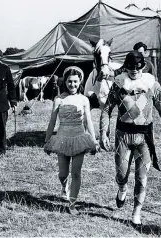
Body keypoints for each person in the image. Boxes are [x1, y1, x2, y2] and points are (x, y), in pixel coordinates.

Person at [99, 51, 161, 225]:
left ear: (143, 66)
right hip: (123, 136)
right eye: (130, 67)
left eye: (137, 67)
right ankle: (122, 188)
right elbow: (107, 109)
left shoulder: (152, 85)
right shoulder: (118, 84)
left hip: (144, 138)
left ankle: (136, 213)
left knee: (141, 176)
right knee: (122, 174)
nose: (134, 70)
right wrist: (103, 132)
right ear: (125, 67)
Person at [44, 66, 100, 215]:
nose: (72, 85)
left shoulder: (84, 99)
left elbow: (88, 121)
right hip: (62, 138)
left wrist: (94, 141)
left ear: (80, 81)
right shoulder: (58, 99)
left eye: (75, 82)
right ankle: (64, 185)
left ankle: (72, 205)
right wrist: (47, 140)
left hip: (79, 138)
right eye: (70, 81)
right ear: (65, 81)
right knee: (63, 173)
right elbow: (52, 122)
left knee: (76, 172)